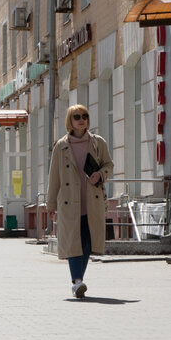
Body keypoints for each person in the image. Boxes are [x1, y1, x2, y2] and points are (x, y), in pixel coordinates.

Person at [46, 104, 113, 299]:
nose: (81, 119)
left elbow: (109, 164)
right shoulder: (61, 145)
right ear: (70, 120)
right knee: (73, 242)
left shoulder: (98, 142)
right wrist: (50, 205)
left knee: (87, 241)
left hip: (92, 201)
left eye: (84, 115)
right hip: (69, 202)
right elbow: (54, 178)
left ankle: (78, 281)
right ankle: (77, 282)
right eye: (77, 116)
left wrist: (100, 174)